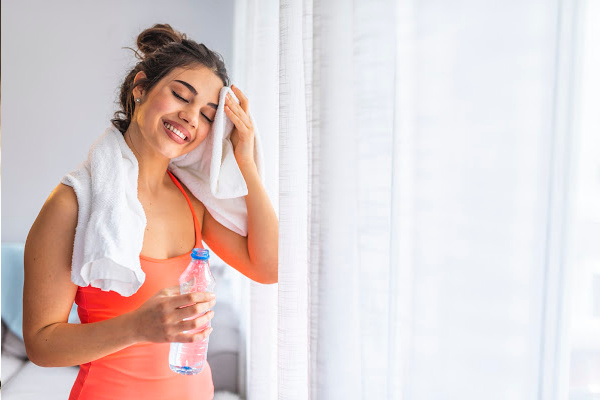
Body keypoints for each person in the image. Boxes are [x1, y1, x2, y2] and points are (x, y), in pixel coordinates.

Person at [22, 24, 278, 400]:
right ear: (140, 87)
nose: (191, 117)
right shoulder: (72, 204)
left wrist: (246, 161)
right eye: (180, 95)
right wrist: (137, 327)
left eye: (208, 115)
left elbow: (269, 268)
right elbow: (41, 345)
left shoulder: (194, 203)